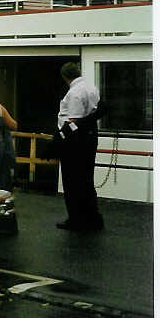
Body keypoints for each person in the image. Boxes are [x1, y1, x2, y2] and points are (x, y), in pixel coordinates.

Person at [55, 62, 104, 231]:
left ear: (65, 77)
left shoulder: (75, 92)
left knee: (71, 180)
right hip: (90, 136)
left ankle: (76, 219)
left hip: (75, 139)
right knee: (86, 179)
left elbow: (73, 121)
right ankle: (93, 217)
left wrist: (60, 138)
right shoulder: (91, 87)